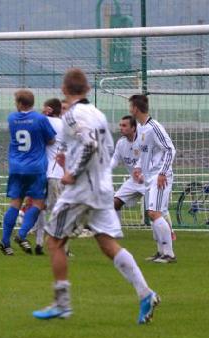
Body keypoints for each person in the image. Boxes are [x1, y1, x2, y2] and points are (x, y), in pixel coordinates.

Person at [33, 68, 159, 324]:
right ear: (88, 89)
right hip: (103, 187)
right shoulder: (98, 115)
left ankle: (62, 303)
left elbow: (89, 144)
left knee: (54, 241)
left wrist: (72, 172)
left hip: (82, 189)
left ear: (64, 90)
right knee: (106, 243)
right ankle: (145, 293)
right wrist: (69, 160)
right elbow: (105, 148)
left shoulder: (72, 115)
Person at [0, 89, 56, 256]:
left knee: (15, 203)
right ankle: (22, 234)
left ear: (20, 104)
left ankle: (5, 242)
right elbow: (51, 139)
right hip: (36, 167)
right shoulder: (40, 119)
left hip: (16, 166)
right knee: (37, 203)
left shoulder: (12, 118)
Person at [129, 94, 177, 263]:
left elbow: (170, 149)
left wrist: (163, 173)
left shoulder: (154, 127)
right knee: (156, 214)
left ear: (135, 108)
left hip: (160, 176)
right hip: (150, 177)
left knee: (154, 212)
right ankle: (160, 251)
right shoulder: (141, 127)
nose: (129, 110)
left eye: (130, 107)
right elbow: (144, 152)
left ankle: (169, 254)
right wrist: (137, 168)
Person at [31, 98, 68, 256]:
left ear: (50, 110)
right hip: (55, 173)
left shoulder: (47, 120)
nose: (42, 111)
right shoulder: (64, 125)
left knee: (44, 208)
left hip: (50, 173)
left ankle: (44, 243)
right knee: (53, 209)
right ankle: (53, 246)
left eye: (44, 108)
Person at [111, 115, 145, 215]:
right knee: (114, 204)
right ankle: (116, 230)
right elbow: (115, 159)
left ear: (133, 128)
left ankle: (170, 230)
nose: (121, 128)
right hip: (133, 181)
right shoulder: (121, 143)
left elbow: (149, 158)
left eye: (124, 125)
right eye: (120, 125)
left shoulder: (143, 140)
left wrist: (141, 173)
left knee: (154, 211)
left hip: (148, 180)